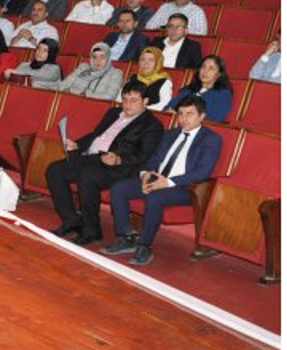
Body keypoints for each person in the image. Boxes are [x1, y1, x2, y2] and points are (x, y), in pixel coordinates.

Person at [104, 95, 221, 266]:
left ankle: (144, 246)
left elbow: (202, 172)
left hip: (185, 188)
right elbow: (154, 160)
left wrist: (168, 182)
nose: (184, 119)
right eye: (181, 114)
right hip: (157, 179)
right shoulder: (170, 134)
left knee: (155, 197)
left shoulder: (210, 139)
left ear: (201, 116)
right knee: (119, 188)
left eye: (189, 114)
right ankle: (126, 237)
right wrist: (145, 174)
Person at [47, 81, 164, 245]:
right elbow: (95, 134)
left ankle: (92, 231)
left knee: (87, 177)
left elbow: (143, 156)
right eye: (125, 99)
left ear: (145, 102)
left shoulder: (152, 125)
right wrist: (78, 145)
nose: (127, 105)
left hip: (118, 167)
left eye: (133, 100)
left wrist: (119, 159)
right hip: (93, 158)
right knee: (55, 170)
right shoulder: (113, 112)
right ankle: (72, 220)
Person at [165, 55, 234, 123]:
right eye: (203, 67)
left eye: (211, 69)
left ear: (219, 74)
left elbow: (214, 120)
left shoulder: (223, 95)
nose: (205, 71)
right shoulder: (189, 89)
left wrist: (180, 116)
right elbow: (168, 107)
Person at [57, 43, 124, 100]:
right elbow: (63, 85)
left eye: (102, 57)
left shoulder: (115, 73)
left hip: (93, 106)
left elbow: (110, 96)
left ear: (108, 58)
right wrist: (67, 91)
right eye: (95, 57)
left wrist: (85, 95)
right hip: (70, 99)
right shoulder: (83, 67)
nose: (98, 60)